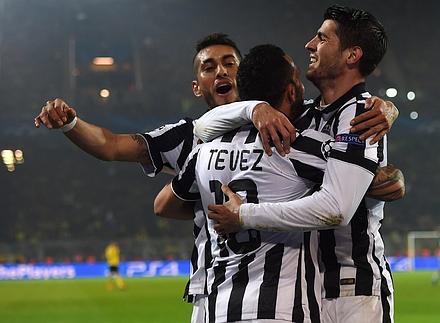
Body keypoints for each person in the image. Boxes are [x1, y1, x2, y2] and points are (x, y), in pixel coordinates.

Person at [34, 32, 398, 322]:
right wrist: (71, 123)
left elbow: (370, 170)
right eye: (209, 67)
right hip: (216, 289)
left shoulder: (290, 123)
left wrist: (386, 109)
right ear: (197, 86)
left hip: (297, 287)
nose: (221, 72)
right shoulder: (196, 135)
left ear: (245, 74)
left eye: (229, 64)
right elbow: (114, 147)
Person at [201, 5, 398, 322]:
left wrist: (245, 215)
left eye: (322, 38)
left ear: (352, 55)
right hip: (306, 291)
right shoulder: (302, 114)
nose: (309, 44)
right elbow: (203, 127)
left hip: (353, 290)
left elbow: (338, 207)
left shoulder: (363, 114)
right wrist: (253, 109)